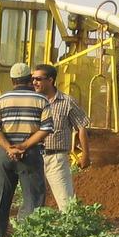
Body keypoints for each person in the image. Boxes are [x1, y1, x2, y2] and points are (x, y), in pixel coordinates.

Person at [0, 62, 53, 237]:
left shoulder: (2, 99)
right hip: (30, 155)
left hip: (5, 156)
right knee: (33, 201)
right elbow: (46, 128)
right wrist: (23, 146)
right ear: (29, 80)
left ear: (13, 80)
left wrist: (8, 147)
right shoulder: (41, 100)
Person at [30, 63, 90, 210]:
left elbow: (81, 127)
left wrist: (86, 155)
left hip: (56, 158)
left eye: (38, 79)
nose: (34, 82)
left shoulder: (67, 102)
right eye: (33, 79)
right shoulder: (32, 101)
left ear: (50, 80)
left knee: (66, 203)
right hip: (34, 157)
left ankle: (71, 230)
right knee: (32, 201)